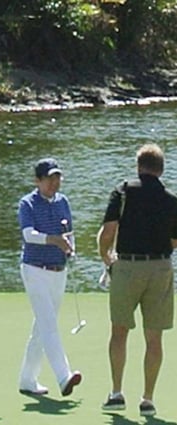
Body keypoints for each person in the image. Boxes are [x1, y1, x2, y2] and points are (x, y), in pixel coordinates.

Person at [97, 143, 177, 417]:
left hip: (128, 266)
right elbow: (175, 241)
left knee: (119, 331)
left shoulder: (122, 191)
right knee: (154, 337)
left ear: (138, 166)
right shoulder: (171, 199)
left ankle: (117, 393)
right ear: (160, 169)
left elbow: (108, 231)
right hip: (160, 268)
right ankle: (148, 399)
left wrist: (106, 257)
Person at [18, 157, 82, 398]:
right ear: (38, 180)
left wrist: (70, 248)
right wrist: (53, 239)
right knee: (49, 324)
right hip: (34, 269)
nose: (54, 183)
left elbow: (68, 232)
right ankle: (63, 376)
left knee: (42, 326)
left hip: (58, 270)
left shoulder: (62, 202)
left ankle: (27, 379)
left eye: (57, 178)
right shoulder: (28, 203)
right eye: (49, 178)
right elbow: (28, 235)